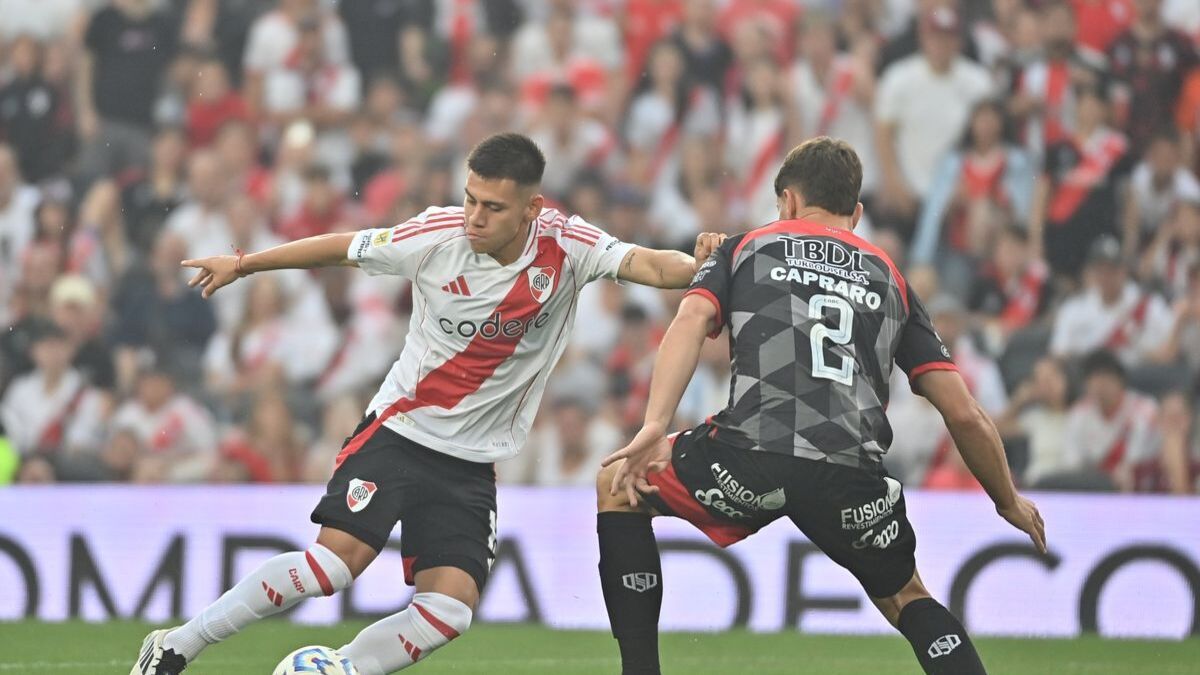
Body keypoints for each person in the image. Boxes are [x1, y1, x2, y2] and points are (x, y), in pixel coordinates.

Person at [130, 132, 724, 675]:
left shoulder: (568, 246)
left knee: (449, 611)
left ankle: (338, 669)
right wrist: (243, 264)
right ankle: (180, 641)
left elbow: (647, 264)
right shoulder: (435, 236)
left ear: (531, 209)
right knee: (332, 568)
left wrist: (699, 265)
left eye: (492, 207)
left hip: (471, 462)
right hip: (400, 432)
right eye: (470, 199)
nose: (474, 216)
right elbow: (341, 248)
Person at [595, 137, 1045, 675]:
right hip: (849, 475)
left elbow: (691, 322)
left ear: (786, 201)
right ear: (855, 213)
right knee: (905, 595)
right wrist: (1007, 500)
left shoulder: (746, 247)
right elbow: (964, 412)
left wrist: (654, 424)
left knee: (618, 485)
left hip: (749, 457)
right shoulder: (891, 278)